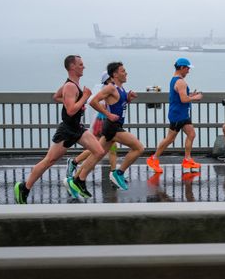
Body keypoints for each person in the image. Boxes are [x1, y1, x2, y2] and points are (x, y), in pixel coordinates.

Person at [13, 55, 105, 204]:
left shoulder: (72, 85)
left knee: (99, 151)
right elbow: (69, 111)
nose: (84, 67)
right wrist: (84, 98)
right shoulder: (70, 86)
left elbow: (56, 97)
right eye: (81, 64)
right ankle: (24, 187)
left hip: (77, 128)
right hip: (67, 129)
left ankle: (78, 180)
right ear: (72, 67)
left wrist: (76, 102)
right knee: (49, 160)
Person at [67, 62, 144, 193]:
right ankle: (118, 173)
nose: (126, 73)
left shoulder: (121, 89)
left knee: (96, 155)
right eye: (123, 71)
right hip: (113, 128)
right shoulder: (111, 88)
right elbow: (92, 101)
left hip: (113, 126)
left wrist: (129, 99)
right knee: (139, 148)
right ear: (114, 74)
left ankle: (75, 180)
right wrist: (108, 114)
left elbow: (119, 106)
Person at [146, 57, 203, 173]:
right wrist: (196, 97)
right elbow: (183, 99)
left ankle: (187, 159)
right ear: (182, 67)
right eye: (187, 68)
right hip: (177, 115)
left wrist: (190, 94)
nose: (188, 71)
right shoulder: (180, 81)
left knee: (191, 134)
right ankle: (154, 158)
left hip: (182, 114)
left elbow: (181, 95)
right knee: (170, 139)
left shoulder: (175, 80)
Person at [66, 71, 118, 179]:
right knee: (101, 147)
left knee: (109, 147)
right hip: (102, 122)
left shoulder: (111, 88)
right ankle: (75, 164)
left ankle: (114, 174)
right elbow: (95, 102)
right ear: (108, 79)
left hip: (106, 121)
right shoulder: (104, 90)